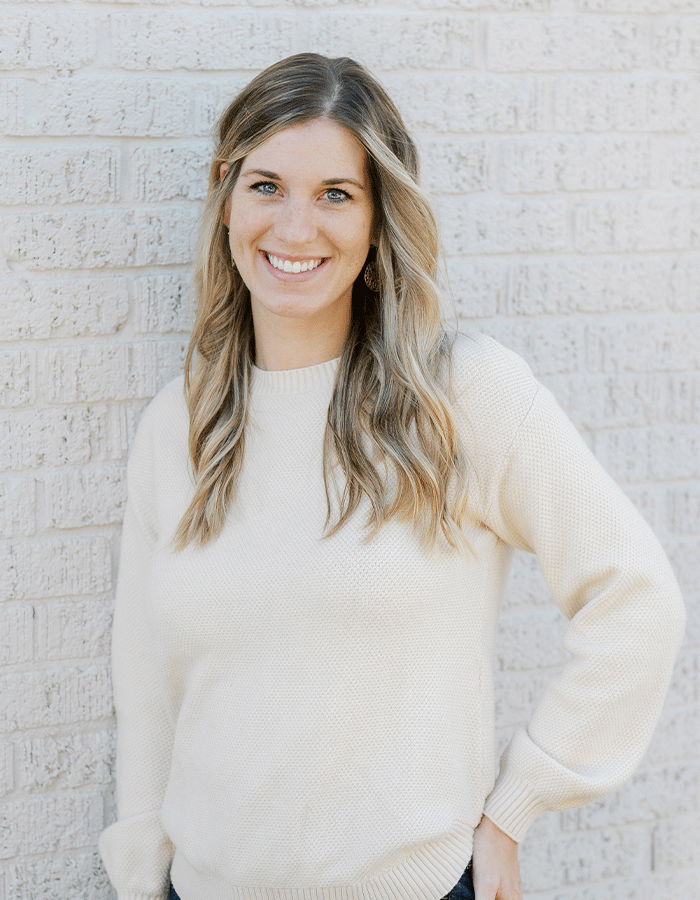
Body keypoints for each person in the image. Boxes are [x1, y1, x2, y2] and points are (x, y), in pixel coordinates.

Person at [99, 53, 685, 900]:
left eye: (336, 194)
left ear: (378, 224)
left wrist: (516, 807)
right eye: (266, 185)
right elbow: (147, 688)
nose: (295, 228)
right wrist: (138, 878)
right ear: (226, 201)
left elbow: (636, 597)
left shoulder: (460, 398)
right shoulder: (178, 427)